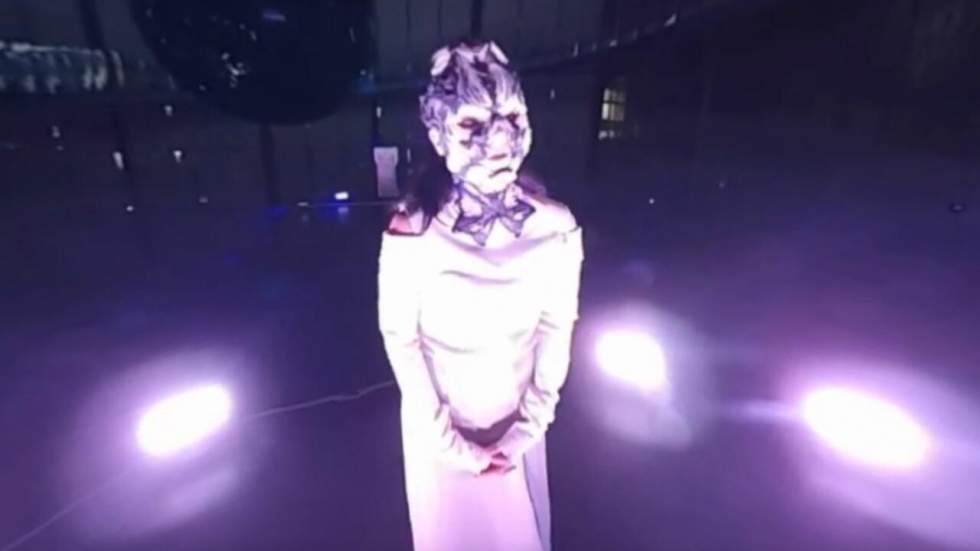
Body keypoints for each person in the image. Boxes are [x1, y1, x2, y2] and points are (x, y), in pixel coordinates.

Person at [378, 39, 584, 551]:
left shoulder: (556, 227)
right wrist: (451, 446)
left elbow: (558, 327)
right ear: (437, 133)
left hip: (519, 431)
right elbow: (401, 340)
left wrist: (527, 429)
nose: (500, 139)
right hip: (439, 440)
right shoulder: (412, 233)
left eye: (512, 116)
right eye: (472, 123)